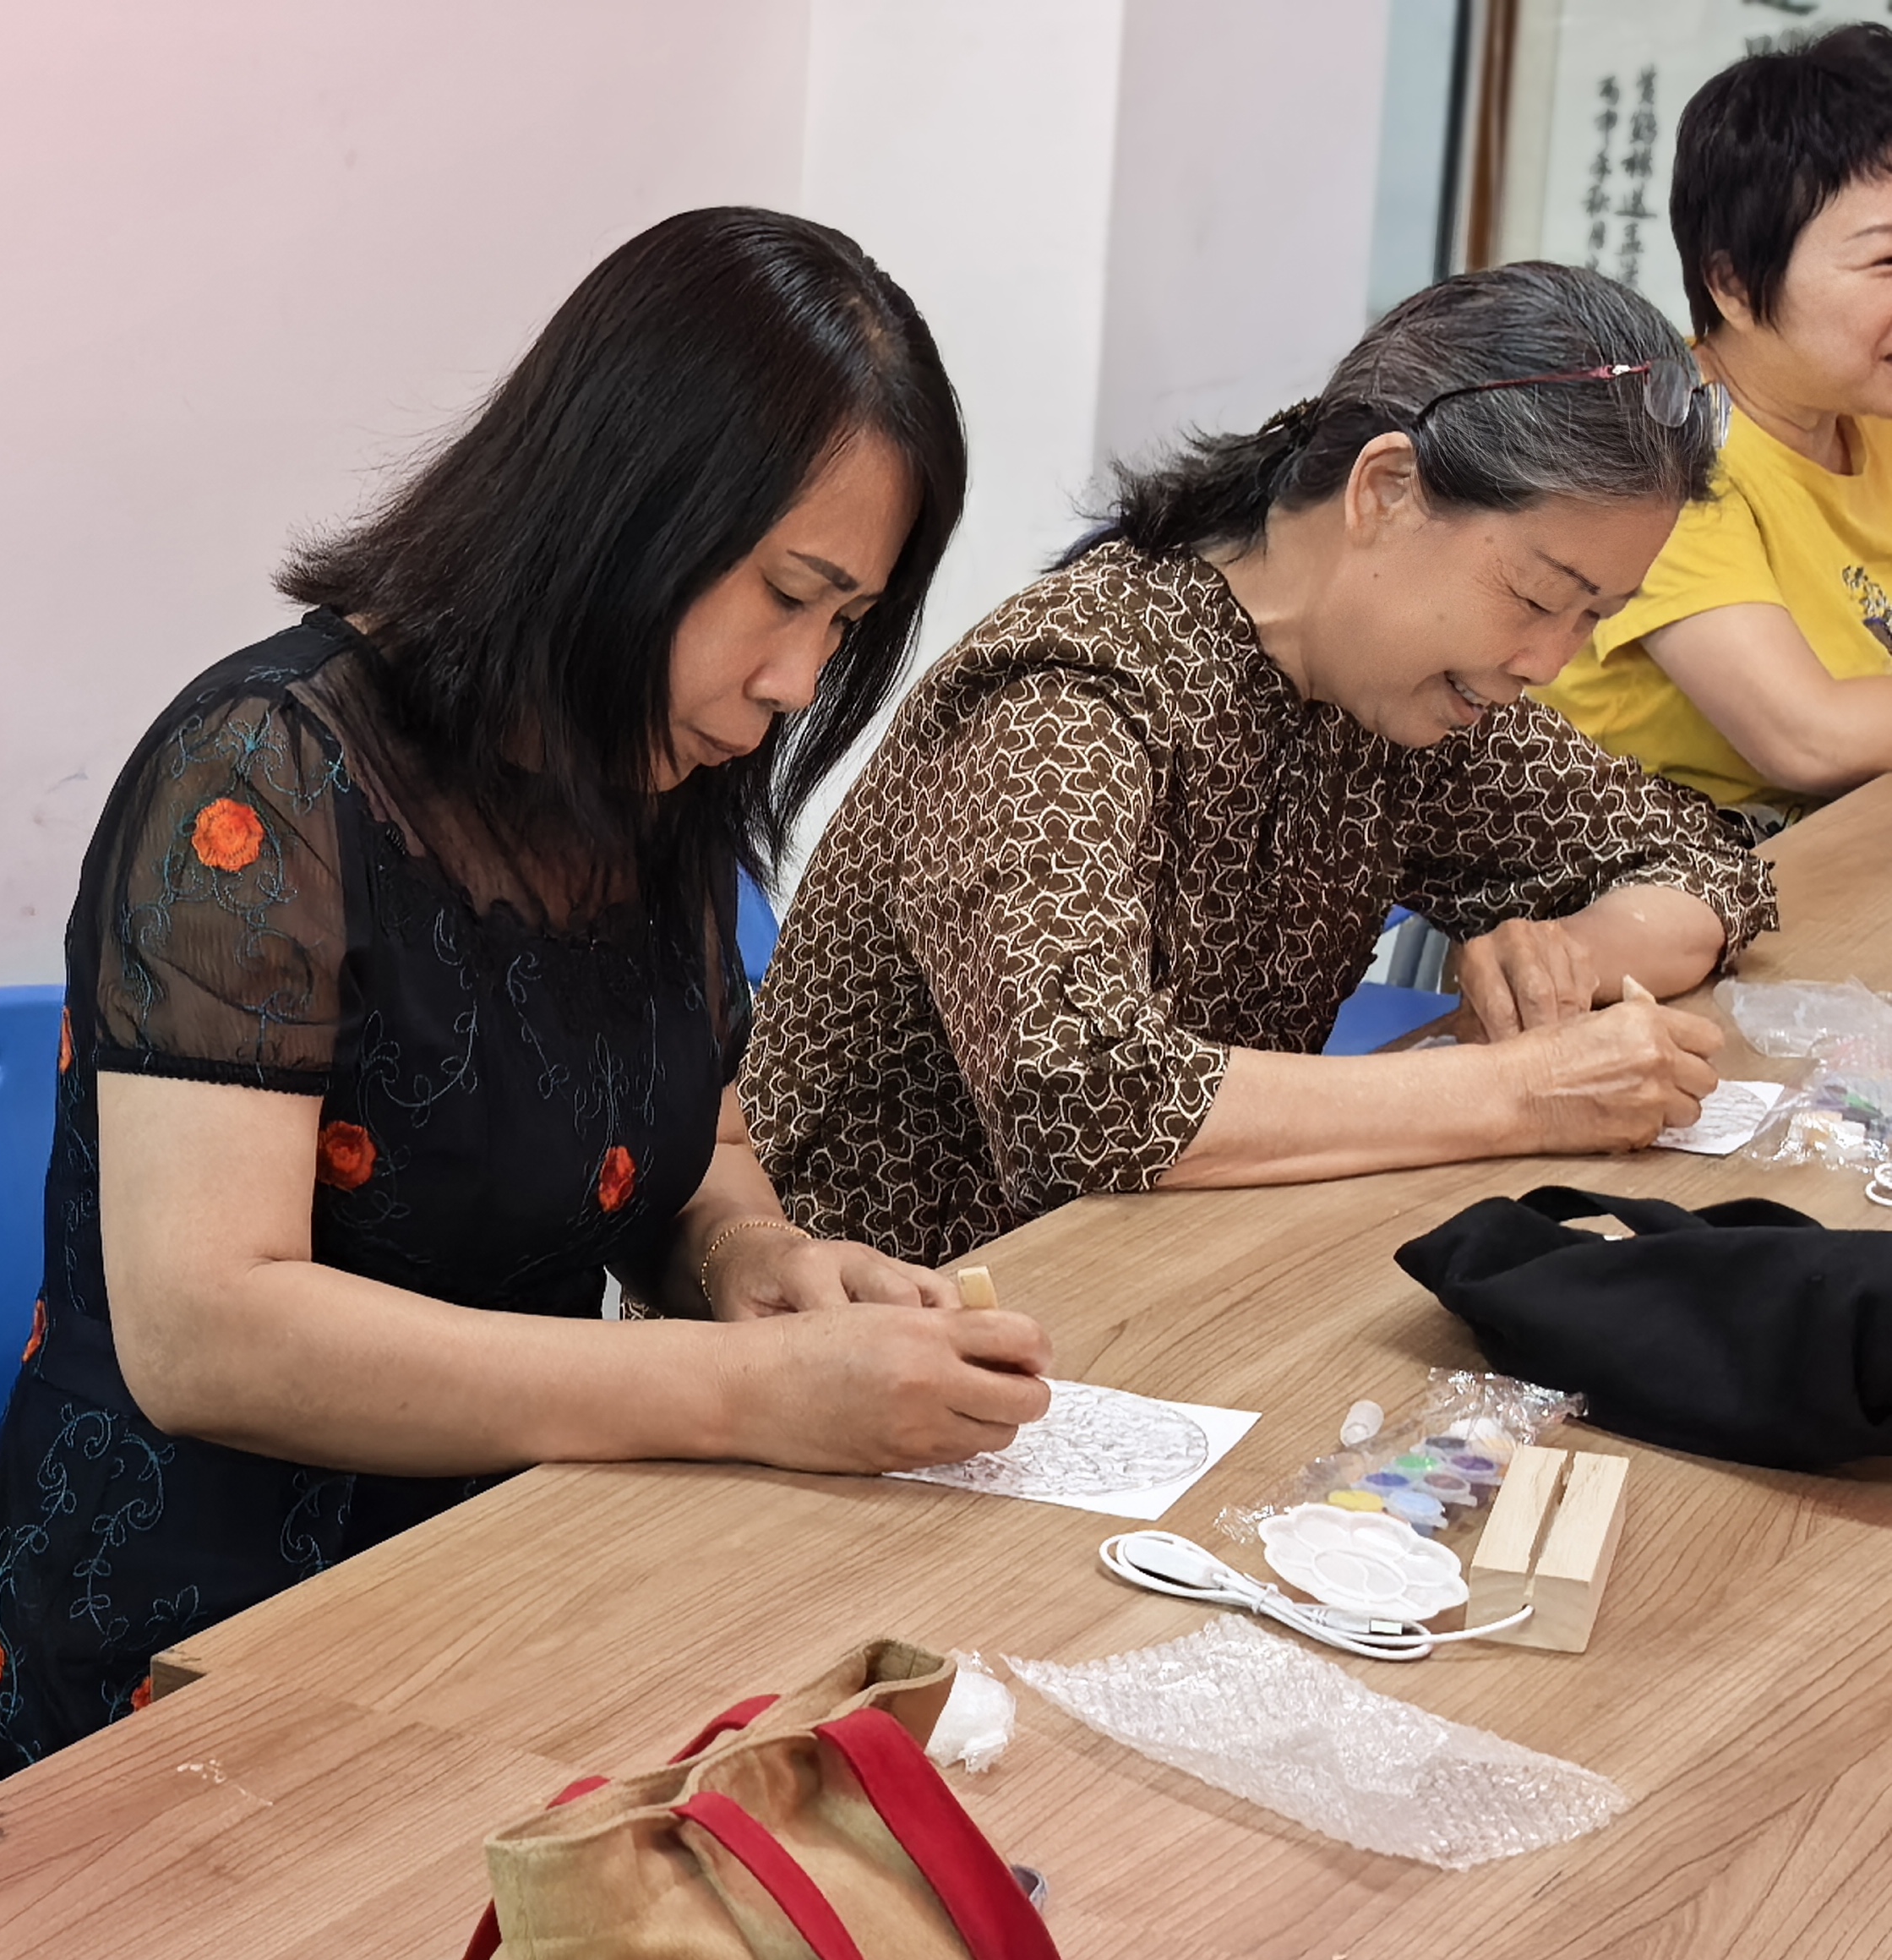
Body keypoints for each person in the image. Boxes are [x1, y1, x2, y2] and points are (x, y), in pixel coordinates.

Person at [0, 208, 1055, 1783]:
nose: (799, 681)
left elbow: (697, 1145)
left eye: (845, 626)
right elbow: (205, 1332)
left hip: (514, 1554)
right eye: (785, 594)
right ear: (624, 511)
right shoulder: (265, 781)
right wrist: (745, 1389)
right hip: (188, 1635)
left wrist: (756, 1263)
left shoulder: (654, 771)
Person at [744, 263, 1779, 1269]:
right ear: (1385, 490)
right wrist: (1523, 1091)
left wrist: (1564, 956)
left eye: (1593, 617)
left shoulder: (1393, 698)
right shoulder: (1067, 693)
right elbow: (1078, 1093)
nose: (1548, 661)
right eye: (1540, 597)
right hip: (888, 1321)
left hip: (1179, 1276)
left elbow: (1707, 862)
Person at [1545, 25, 1892, 832]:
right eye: (1886, 264)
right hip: (1648, 873)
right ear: (1732, 284)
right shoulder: (1660, 446)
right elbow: (1803, 735)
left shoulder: (1868, 408)